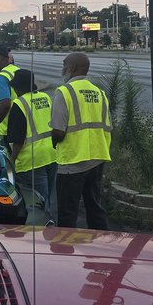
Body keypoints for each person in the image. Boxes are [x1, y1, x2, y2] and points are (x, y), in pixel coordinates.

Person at [50, 51, 111, 228]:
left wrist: (54, 142)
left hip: (73, 160)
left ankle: (67, 250)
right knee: (95, 207)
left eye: (64, 65)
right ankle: (100, 247)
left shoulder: (64, 92)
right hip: (98, 157)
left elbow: (58, 131)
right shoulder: (99, 93)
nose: (63, 69)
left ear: (73, 68)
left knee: (68, 211)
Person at [5, 69, 56, 216]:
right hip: (52, 155)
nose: (13, 89)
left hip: (32, 160)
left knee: (37, 202)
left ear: (19, 87)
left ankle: (43, 230)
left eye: (14, 86)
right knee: (47, 198)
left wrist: (11, 162)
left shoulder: (19, 104)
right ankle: (48, 225)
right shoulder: (46, 97)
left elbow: (18, 140)